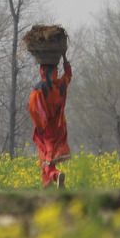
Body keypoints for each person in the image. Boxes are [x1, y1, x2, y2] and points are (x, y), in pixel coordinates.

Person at [28, 51, 72, 188]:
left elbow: (34, 110)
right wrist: (64, 58)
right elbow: (68, 75)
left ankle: (56, 175)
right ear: (55, 72)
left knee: (47, 159)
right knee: (45, 157)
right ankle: (47, 185)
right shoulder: (60, 86)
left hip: (47, 130)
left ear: (43, 72)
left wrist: (40, 126)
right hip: (59, 127)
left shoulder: (39, 90)